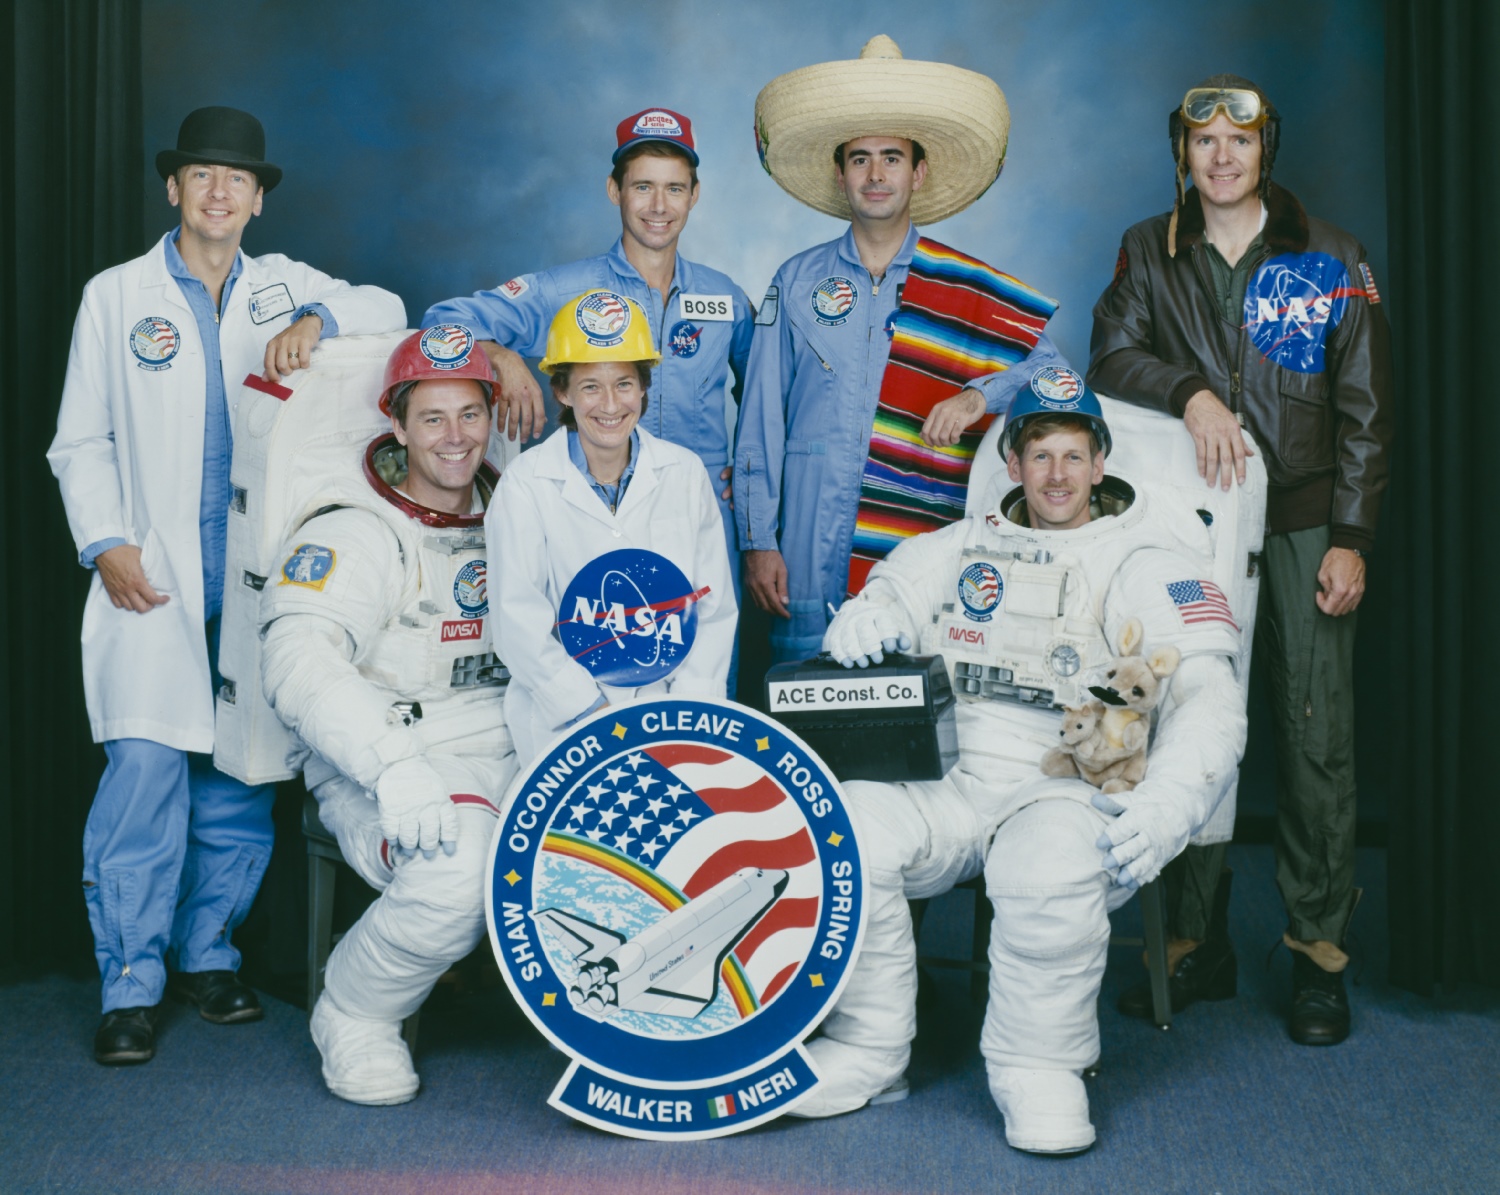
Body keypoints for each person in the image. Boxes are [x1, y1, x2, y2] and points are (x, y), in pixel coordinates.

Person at [796, 374, 1246, 1153]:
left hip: (1063, 787)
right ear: (1012, 463)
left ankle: (1038, 1066)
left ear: (1100, 464)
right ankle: (869, 1047)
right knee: (847, 829)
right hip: (953, 778)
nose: (1057, 475)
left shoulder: (1147, 558)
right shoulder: (962, 546)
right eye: (1040, 455)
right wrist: (866, 619)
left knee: (1044, 869)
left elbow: (1210, 695)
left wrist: (1168, 805)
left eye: (1074, 455)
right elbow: (893, 591)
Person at [47, 106, 405, 1065]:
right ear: (174, 188)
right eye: (201, 174)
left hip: (249, 577)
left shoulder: (283, 286)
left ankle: (207, 953)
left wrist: (318, 321)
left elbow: (386, 305)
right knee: (145, 776)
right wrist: (106, 542)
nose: (218, 192)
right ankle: (130, 980)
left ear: (257, 200)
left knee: (240, 776)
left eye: (236, 179)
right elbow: (80, 439)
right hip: (151, 576)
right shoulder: (115, 296)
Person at [1088, 76, 1393, 1045]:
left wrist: (1351, 536)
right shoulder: (1150, 247)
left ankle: (1317, 953)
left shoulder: (1332, 257)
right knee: (1188, 717)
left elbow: (1367, 410)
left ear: (1268, 150)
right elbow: (1109, 357)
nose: (1222, 156)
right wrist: (1191, 392)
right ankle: (1194, 937)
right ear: (1182, 152)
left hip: (1303, 521)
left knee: (1314, 735)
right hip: (1192, 522)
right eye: (1204, 139)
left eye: (1240, 140)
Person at [735, 35, 1077, 663]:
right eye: (860, 158)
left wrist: (977, 397)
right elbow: (759, 421)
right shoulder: (795, 281)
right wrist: (759, 541)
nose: (875, 175)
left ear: (918, 172)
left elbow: (1055, 375)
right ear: (839, 173)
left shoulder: (965, 287)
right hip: (803, 542)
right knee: (800, 685)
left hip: (917, 535)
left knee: (906, 681)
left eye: (891, 158)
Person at [257, 329, 513, 1105]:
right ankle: (355, 1011)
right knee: (456, 873)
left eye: (470, 414)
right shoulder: (357, 528)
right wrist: (393, 764)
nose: (455, 436)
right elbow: (297, 660)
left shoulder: (521, 510)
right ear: (396, 425)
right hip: (391, 756)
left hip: (516, 741)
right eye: (432, 418)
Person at [424, 108, 752, 668]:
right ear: (614, 190)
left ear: (695, 195)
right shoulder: (566, 289)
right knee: (595, 667)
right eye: (642, 186)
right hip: (590, 516)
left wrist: (743, 472)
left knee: (705, 667)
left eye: (674, 188)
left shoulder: (725, 299)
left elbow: (765, 398)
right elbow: (443, 322)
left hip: (698, 517)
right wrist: (502, 356)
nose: (658, 205)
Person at [489, 291, 736, 765]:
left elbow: (713, 607)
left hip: (671, 712)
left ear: (643, 387)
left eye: (624, 384)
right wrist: (593, 713)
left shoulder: (683, 472)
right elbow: (517, 621)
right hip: (567, 721)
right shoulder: (526, 484)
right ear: (562, 392)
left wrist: (684, 712)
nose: (610, 404)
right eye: (589, 387)